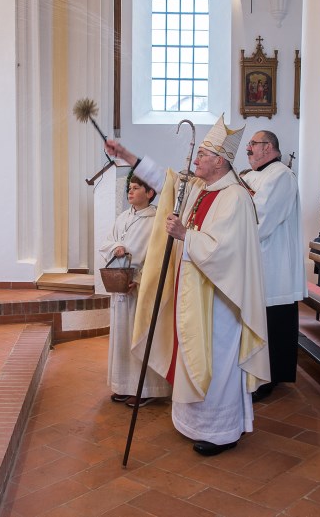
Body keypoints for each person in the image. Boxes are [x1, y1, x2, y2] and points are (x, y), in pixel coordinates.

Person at [105, 116, 269, 457]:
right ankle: (193, 422)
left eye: (202, 156)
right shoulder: (200, 188)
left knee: (216, 360)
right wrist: (127, 156)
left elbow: (226, 251)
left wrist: (185, 235)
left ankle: (222, 431)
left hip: (220, 300)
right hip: (193, 294)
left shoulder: (235, 197)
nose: (195, 162)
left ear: (219, 161)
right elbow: (166, 183)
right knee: (191, 353)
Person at [242, 131, 307, 401]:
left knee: (273, 323)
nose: (248, 148)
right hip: (256, 260)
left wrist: (232, 238)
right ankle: (255, 373)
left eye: (253, 144)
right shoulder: (248, 175)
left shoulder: (281, 176)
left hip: (274, 263)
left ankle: (269, 379)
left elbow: (263, 220)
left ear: (268, 147)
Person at [98, 174, 170, 407]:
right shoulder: (122, 217)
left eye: (136, 188)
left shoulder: (156, 220)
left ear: (150, 193)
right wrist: (117, 247)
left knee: (140, 337)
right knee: (122, 338)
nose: (130, 192)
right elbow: (106, 243)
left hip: (140, 288)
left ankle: (146, 389)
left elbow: (157, 257)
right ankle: (124, 385)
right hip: (119, 285)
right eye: (129, 188)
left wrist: (138, 279)